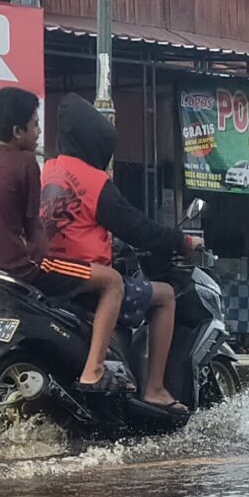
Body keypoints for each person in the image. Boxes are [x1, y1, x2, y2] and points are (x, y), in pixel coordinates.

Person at [40, 93, 194, 411]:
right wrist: (181, 241)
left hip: (49, 273)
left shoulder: (48, 170)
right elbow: (136, 227)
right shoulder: (95, 182)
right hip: (85, 281)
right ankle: (154, 388)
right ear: (95, 143)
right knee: (164, 295)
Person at [0, 88, 126, 333]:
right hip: (24, 268)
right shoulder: (26, 163)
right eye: (35, 125)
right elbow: (34, 228)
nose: (39, 132)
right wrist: (54, 254)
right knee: (112, 281)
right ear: (18, 132)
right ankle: (94, 368)